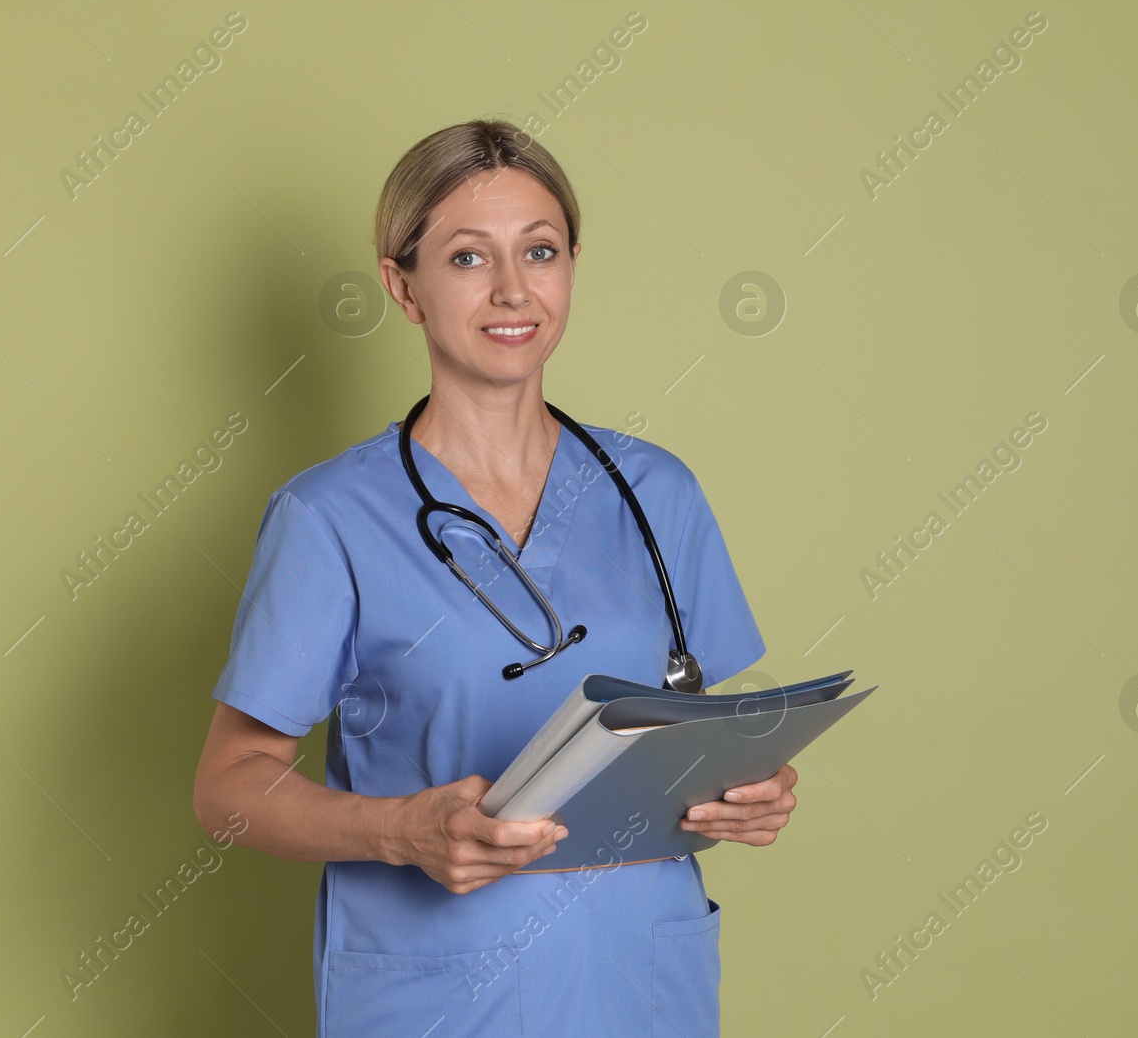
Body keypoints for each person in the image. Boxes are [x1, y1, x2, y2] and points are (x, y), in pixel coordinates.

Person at [192, 118, 800, 1037]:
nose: (514, 289)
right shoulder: (331, 518)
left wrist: (750, 789)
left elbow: (691, 741)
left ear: (570, 265)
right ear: (405, 286)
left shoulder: (655, 491)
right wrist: (402, 830)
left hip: (638, 980)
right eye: (469, 258)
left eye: (540, 250)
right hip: (440, 993)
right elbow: (228, 788)